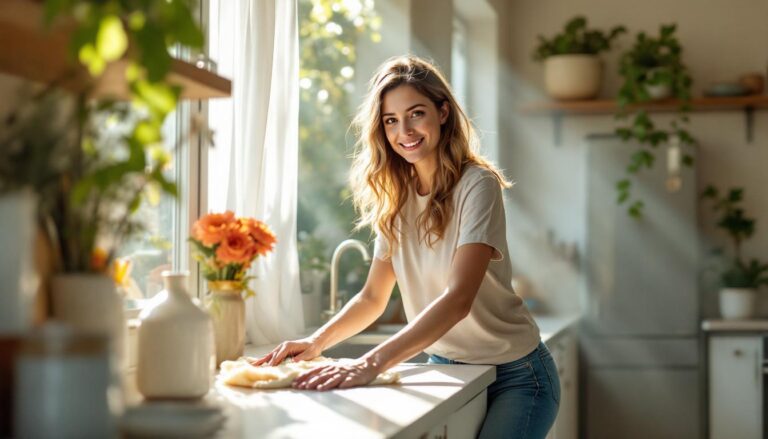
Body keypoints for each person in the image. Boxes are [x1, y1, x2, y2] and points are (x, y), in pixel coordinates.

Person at [251, 55, 559, 438]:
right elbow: (371, 299)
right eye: (391, 120)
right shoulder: (395, 198)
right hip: (446, 365)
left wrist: (368, 363)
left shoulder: (477, 185)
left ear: (442, 112)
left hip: (518, 374)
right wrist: (315, 342)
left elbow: (458, 298)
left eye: (416, 114)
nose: (405, 131)